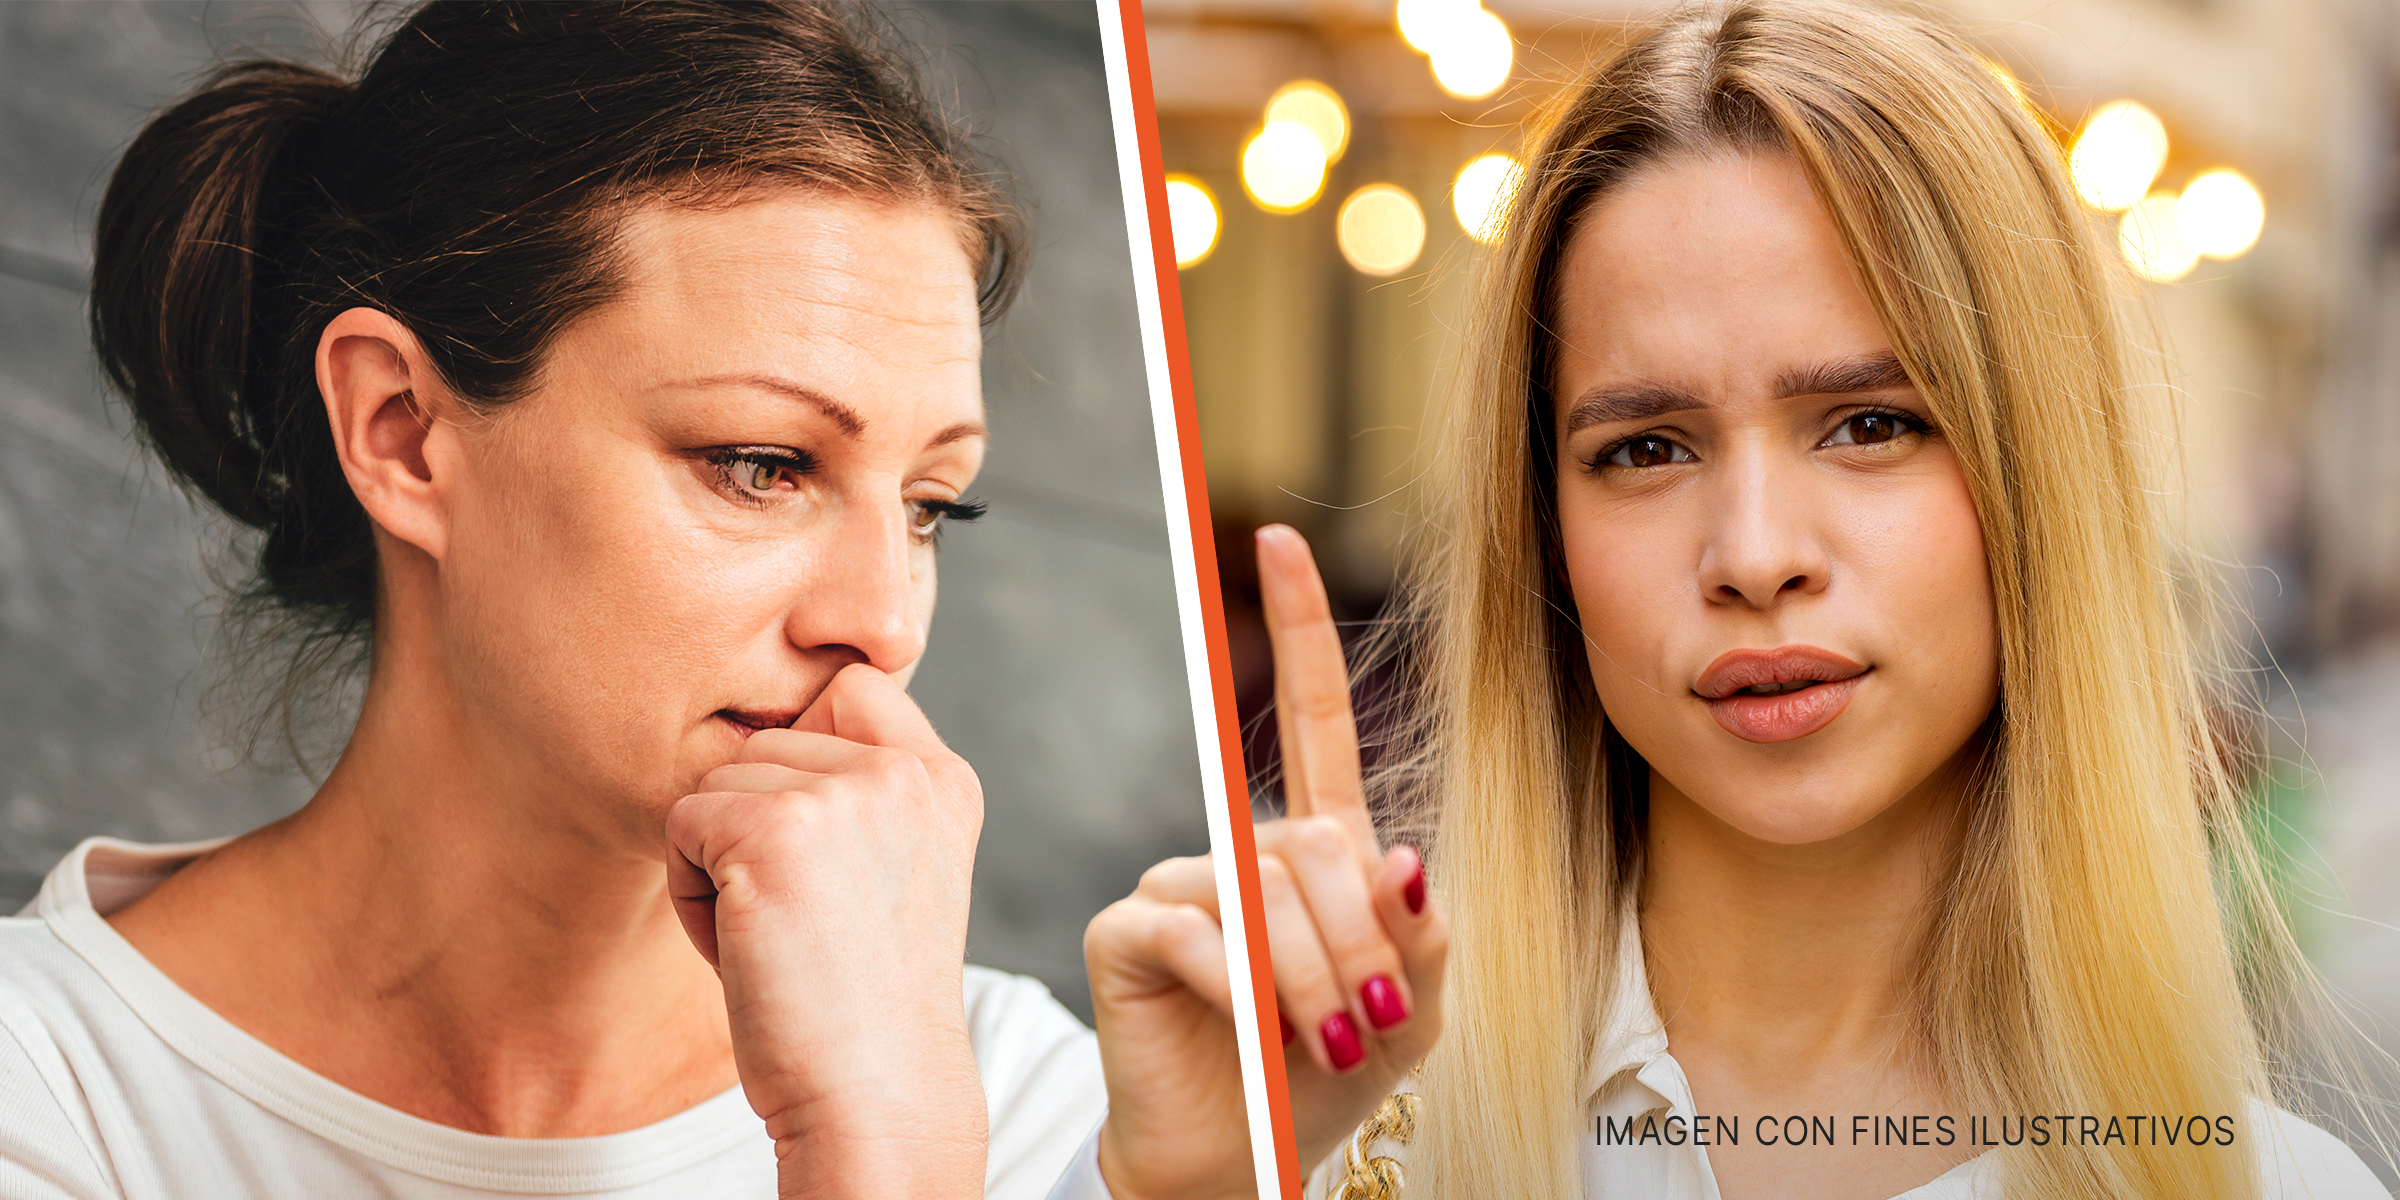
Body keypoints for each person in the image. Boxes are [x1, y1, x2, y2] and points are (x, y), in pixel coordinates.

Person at [0, 4, 1254, 1199]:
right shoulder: (47, 1095)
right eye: (762, 464)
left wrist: (896, 1115)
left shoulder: (1052, 1110)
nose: (883, 622)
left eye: (931, 505)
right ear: (402, 432)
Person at [1242, 1, 2394, 1197]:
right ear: (1544, 532)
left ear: (2040, 479)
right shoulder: (1341, 1135)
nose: (1753, 553)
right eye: (1647, 448)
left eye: (1871, 425)